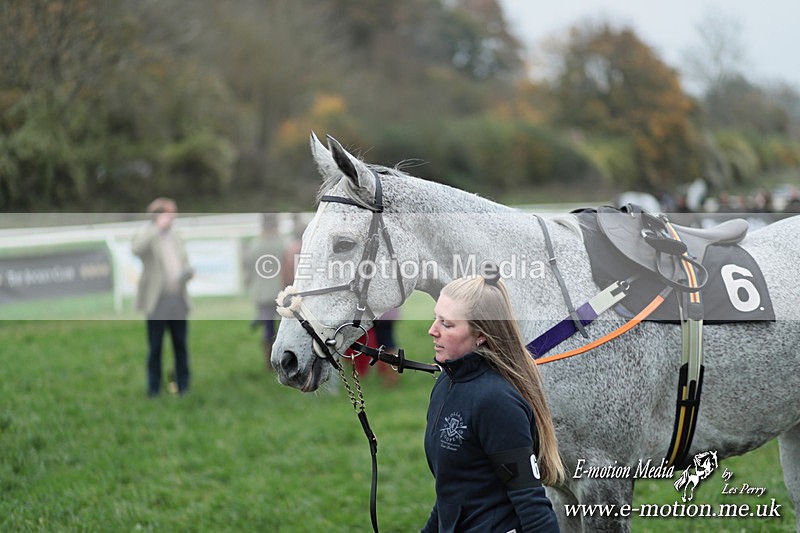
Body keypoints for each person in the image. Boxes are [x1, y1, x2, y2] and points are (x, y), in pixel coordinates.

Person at [423, 268, 563, 532]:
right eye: (435, 319)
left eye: (447, 324)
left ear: (481, 334)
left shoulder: (497, 402)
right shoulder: (446, 382)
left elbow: (532, 505)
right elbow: (453, 492)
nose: (432, 330)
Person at [132, 198, 194, 397]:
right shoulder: (147, 234)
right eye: (169, 214)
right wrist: (155, 229)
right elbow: (136, 250)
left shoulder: (175, 236)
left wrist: (187, 273)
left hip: (177, 299)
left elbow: (183, 260)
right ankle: (154, 388)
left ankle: (183, 385)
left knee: (180, 345)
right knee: (155, 346)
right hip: (157, 301)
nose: (173, 218)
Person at [244, 213, 286, 367]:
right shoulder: (282, 244)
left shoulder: (254, 245)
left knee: (267, 329)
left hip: (261, 294)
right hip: (281, 292)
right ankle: (282, 360)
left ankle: (269, 362)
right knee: (283, 328)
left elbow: (248, 271)